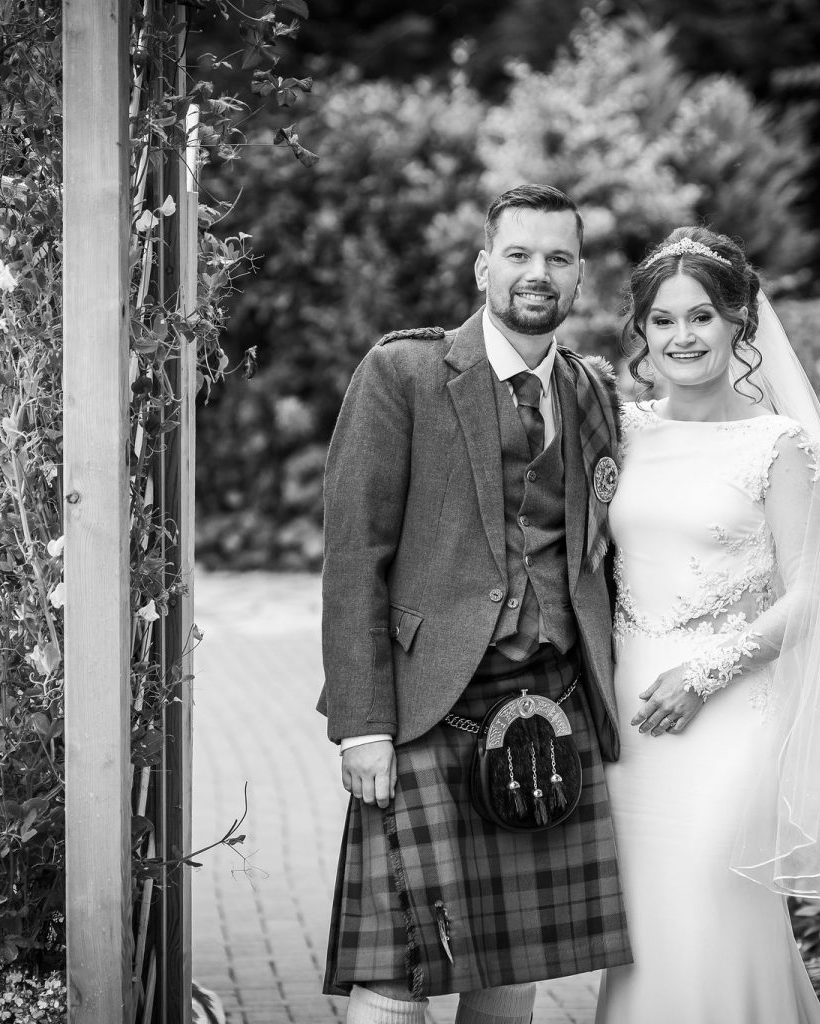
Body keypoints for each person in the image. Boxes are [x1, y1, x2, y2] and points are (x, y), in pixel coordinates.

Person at [318, 183, 631, 1024]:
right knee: (398, 970)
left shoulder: (591, 391)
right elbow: (355, 557)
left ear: (580, 276)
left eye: (559, 258)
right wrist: (363, 723)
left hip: (550, 709)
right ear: (483, 264)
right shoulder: (404, 373)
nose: (540, 273)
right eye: (520, 255)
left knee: (509, 965)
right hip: (427, 713)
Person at [595, 227, 820, 1024]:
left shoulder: (776, 444)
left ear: (738, 324)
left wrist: (705, 673)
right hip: (626, 714)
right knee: (644, 931)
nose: (681, 337)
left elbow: (812, 596)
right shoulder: (619, 430)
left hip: (728, 712)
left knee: (710, 910)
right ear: (643, 333)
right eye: (662, 320)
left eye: (700, 318)